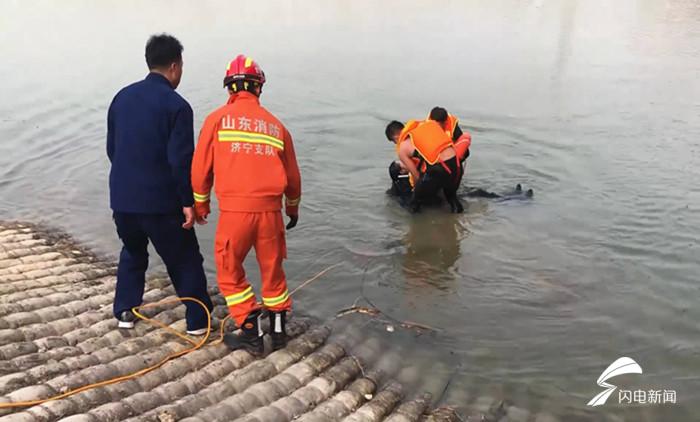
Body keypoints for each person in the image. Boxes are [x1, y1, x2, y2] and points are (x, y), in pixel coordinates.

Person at [191, 54, 301, 355]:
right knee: (273, 270)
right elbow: (293, 177)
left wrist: (201, 204)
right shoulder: (277, 127)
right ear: (259, 88)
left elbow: (201, 168)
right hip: (271, 214)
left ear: (229, 88)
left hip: (235, 213)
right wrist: (292, 209)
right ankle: (278, 331)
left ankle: (250, 328)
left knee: (228, 268)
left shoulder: (216, 121)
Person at [106, 34, 213, 334]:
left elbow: (112, 149)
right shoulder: (178, 106)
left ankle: (125, 311)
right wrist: (188, 203)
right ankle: (197, 320)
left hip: (123, 200)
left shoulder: (121, 97)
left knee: (132, 250)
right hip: (161, 204)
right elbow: (180, 161)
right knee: (185, 259)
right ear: (175, 66)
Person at [385, 118, 464, 213]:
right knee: (452, 199)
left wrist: (417, 189)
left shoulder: (403, 147)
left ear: (396, 137)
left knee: (414, 204)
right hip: (456, 164)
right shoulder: (426, 126)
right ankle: (459, 223)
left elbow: (416, 176)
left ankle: (417, 226)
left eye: (394, 142)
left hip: (439, 168)